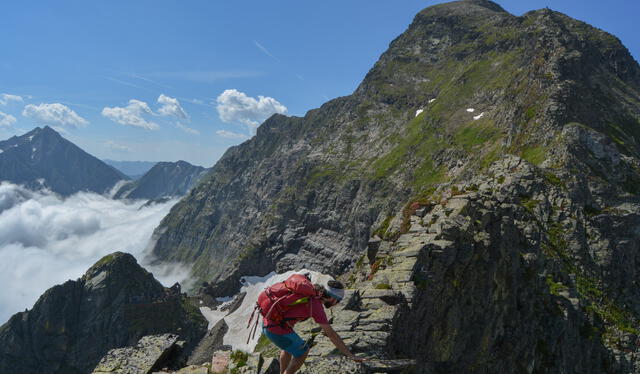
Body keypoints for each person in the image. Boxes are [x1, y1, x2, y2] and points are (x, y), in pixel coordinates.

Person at [261, 278, 364, 374]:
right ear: (332, 298)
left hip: (269, 322)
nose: (337, 304)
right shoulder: (316, 305)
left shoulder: (311, 292)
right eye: (338, 300)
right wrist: (350, 355)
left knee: (288, 348)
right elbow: (331, 334)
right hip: (276, 330)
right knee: (302, 352)